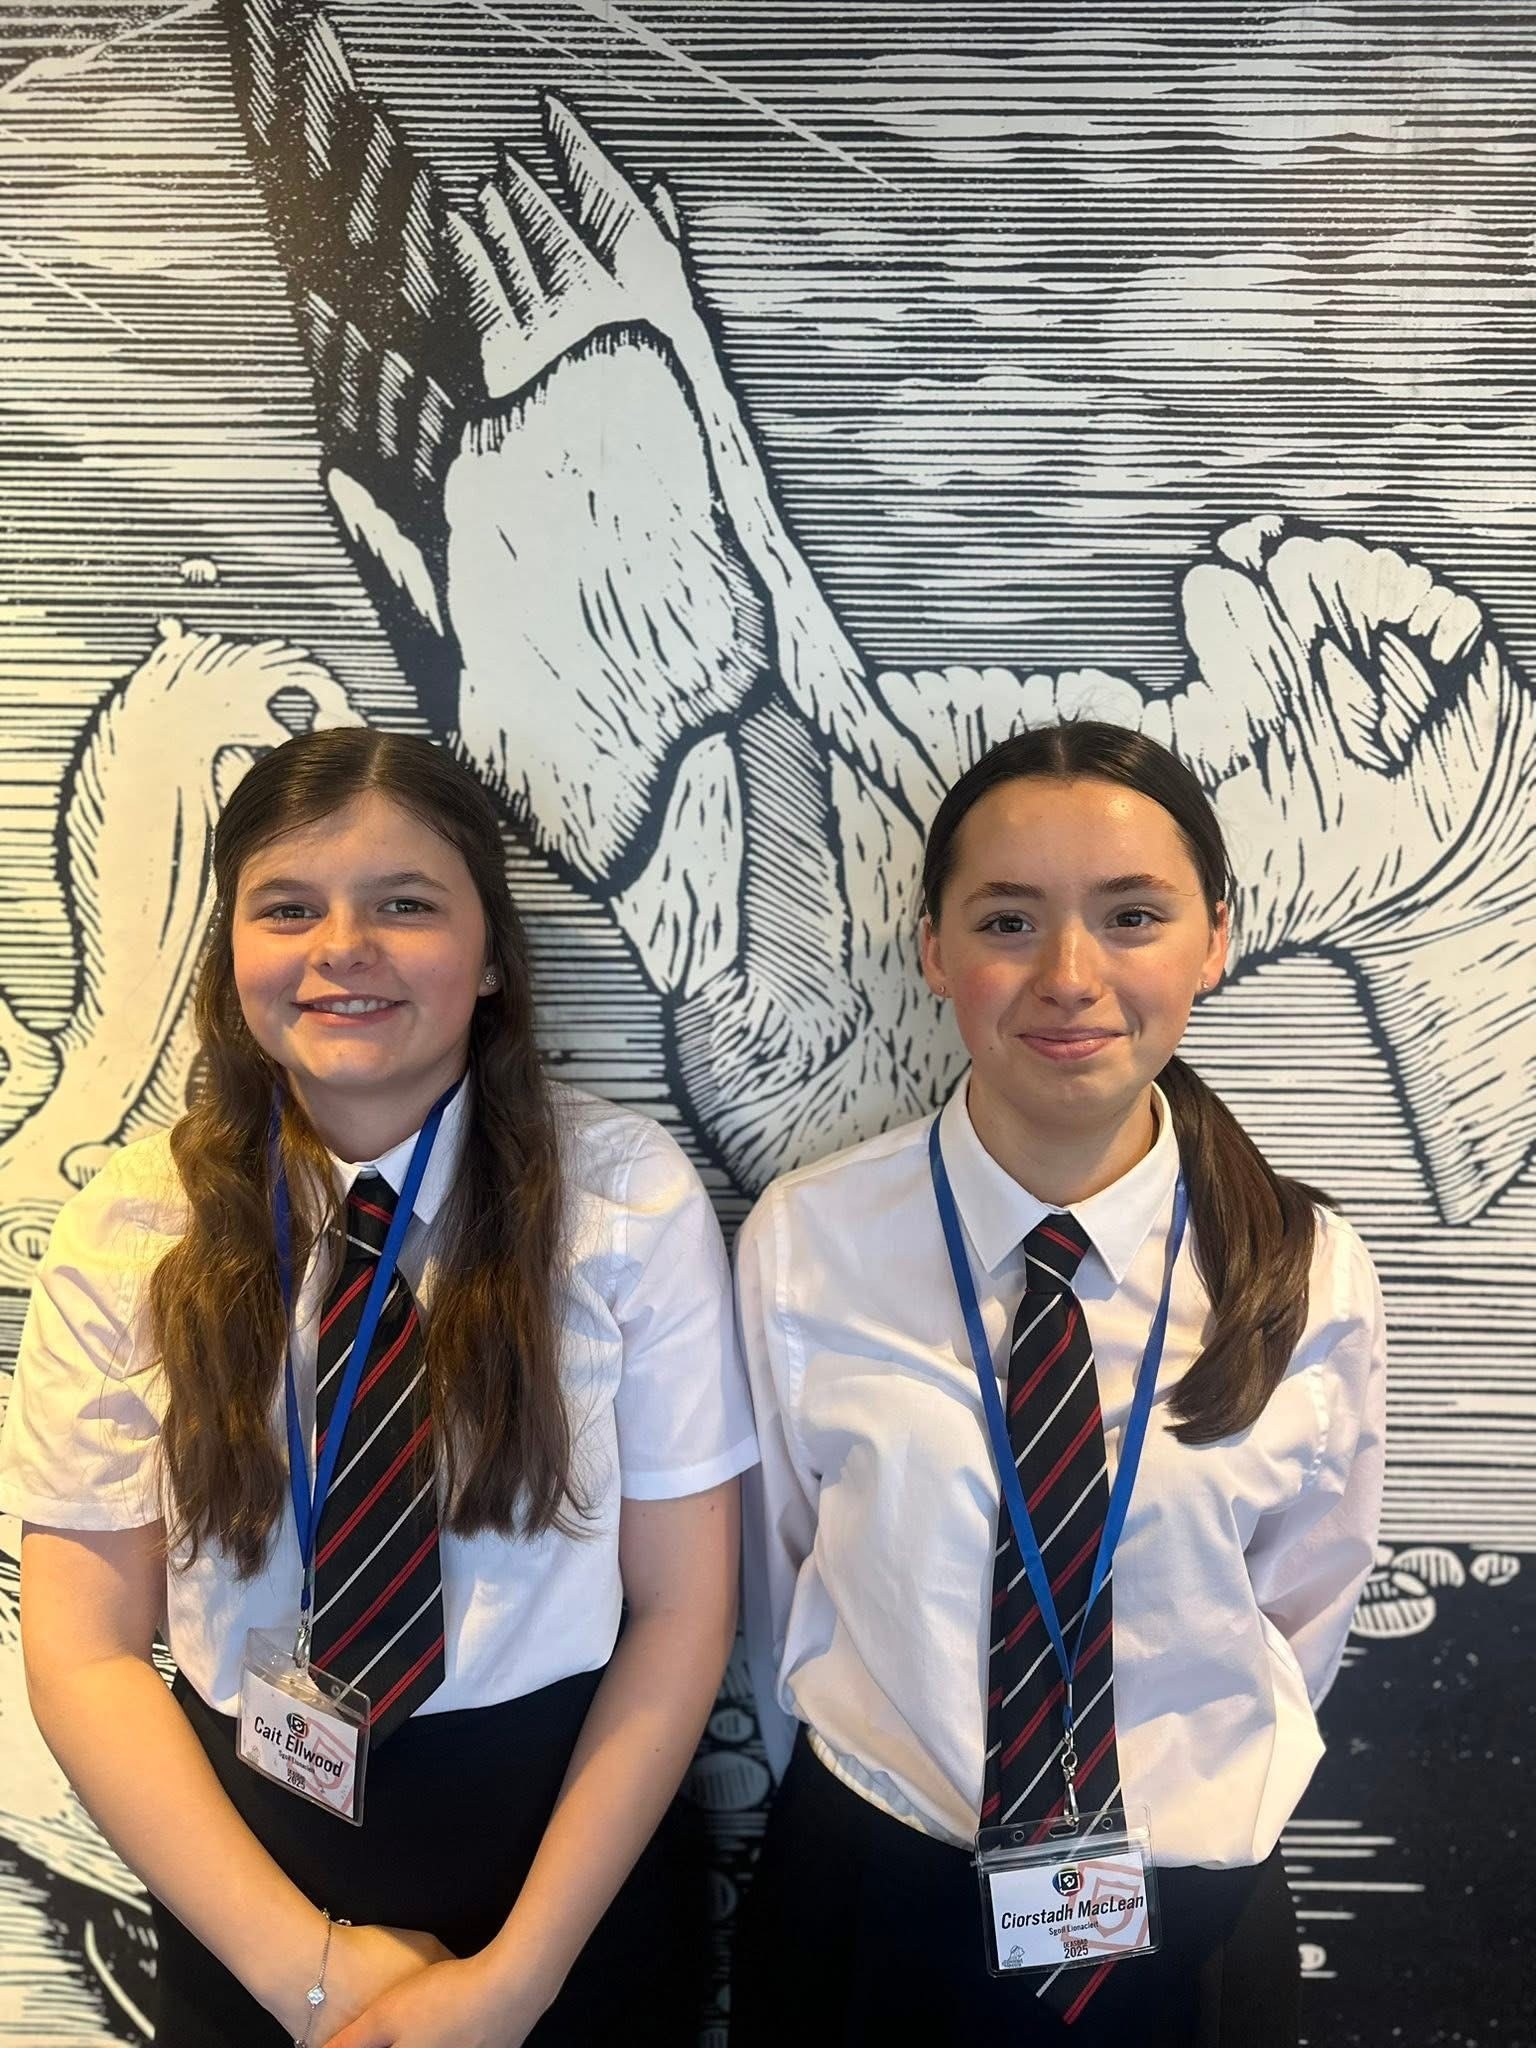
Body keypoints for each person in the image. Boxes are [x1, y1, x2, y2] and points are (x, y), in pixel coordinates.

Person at [0, 727, 757, 2048]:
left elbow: (685, 1612)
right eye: (288, 908)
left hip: (566, 1861)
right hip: (244, 1877)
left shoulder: (626, 1202)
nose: (342, 948)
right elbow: (85, 1649)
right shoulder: (128, 1230)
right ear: (229, 953)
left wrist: (517, 1978)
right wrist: (307, 1973)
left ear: (492, 955)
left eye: (405, 905)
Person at [731, 720, 1386, 2047]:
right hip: (873, 1892)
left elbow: (1301, 1603)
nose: (1071, 977)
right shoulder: (808, 1241)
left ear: (1215, 938)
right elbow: (779, 1569)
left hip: (1192, 1917)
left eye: (1133, 917)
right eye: (1009, 921)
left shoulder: (1309, 1268)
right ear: (934, 949)